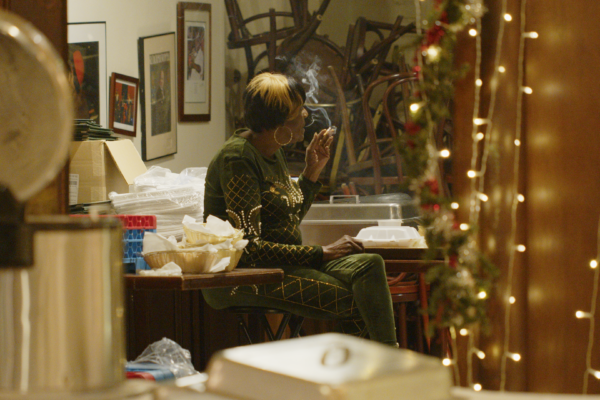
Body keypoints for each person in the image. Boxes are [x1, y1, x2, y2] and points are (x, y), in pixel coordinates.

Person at [202, 72, 397, 346]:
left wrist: (310, 174)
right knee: (353, 299)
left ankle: (380, 365)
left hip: (281, 267)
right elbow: (249, 249)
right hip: (241, 278)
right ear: (278, 125)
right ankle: (380, 368)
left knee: (370, 265)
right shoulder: (238, 158)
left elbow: (286, 220)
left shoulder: (274, 150)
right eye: (297, 113)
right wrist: (322, 253)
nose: (305, 115)